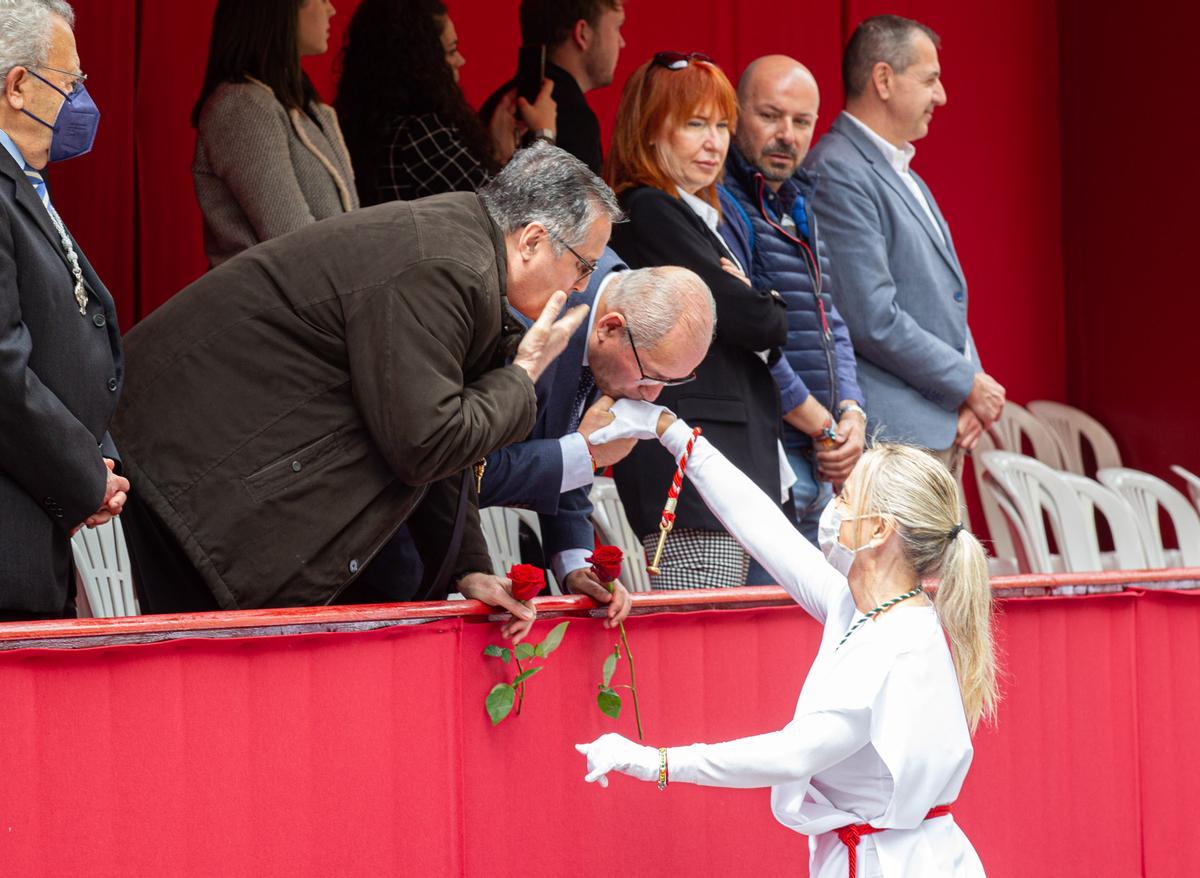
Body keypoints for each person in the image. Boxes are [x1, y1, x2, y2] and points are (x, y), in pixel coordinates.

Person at [111, 144, 621, 638]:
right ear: (531, 240)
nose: (581, 286)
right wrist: (523, 372)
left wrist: (468, 569)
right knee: (216, 691)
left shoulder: (465, 251)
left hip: (217, 457)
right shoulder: (445, 266)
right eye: (584, 265)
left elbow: (442, 441)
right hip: (196, 462)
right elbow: (427, 443)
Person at [579, 398, 996, 878]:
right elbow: (764, 527)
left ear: (879, 530)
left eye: (844, 498)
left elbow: (793, 753)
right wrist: (672, 433)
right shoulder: (865, 607)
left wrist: (656, 762)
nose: (832, 506)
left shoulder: (892, 644)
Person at [604, 52, 789, 589]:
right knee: (703, 639)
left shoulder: (692, 213)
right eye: (694, 124)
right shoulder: (650, 208)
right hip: (692, 485)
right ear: (650, 129)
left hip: (718, 472)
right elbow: (755, 320)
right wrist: (763, 300)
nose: (715, 142)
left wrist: (754, 300)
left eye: (723, 126)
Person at [804, 16, 1004, 468]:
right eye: (930, 79)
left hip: (935, 428)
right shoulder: (839, 170)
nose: (942, 96)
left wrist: (969, 391)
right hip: (894, 442)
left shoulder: (903, 172)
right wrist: (968, 383)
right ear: (883, 79)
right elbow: (872, 317)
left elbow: (945, 301)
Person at [480, 258, 716, 626]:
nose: (651, 396)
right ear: (610, 327)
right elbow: (461, 470)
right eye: (650, 377)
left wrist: (577, 565)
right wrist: (583, 454)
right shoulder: (534, 313)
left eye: (670, 382)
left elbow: (564, 432)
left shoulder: (617, 312)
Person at [0, 0, 128, 621]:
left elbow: (62, 334)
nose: (80, 103)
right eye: (70, 82)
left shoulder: (24, 182)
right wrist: (83, 473)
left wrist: (94, 452)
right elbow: (4, 365)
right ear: (18, 86)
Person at [720, 55, 865, 548]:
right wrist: (825, 427)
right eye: (770, 115)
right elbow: (749, 338)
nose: (787, 134)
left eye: (802, 121)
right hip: (768, 455)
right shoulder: (722, 204)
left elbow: (832, 320)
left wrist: (852, 413)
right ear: (734, 115)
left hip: (820, 457)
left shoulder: (799, 202)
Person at [335, 0, 557, 206]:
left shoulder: (372, 126)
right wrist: (544, 135)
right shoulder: (420, 134)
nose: (461, 60)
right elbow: (514, 215)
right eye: (450, 51)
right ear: (420, 64)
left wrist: (498, 154)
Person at [192, 0, 359, 268]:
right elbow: (294, 241)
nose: (332, 10)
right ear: (285, 10)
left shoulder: (312, 109)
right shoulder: (242, 107)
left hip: (316, 303)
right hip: (267, 307)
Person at [480, 0, 625, 175]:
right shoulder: (574, 117)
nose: (622, 42)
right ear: (583, 33)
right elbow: (575, 203)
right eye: (617, 27)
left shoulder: (496, 104)